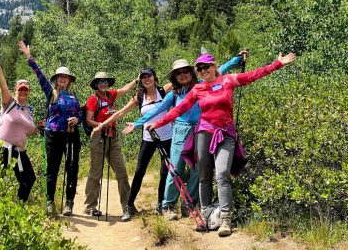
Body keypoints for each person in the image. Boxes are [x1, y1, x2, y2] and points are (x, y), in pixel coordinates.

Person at [147, 52, 296, 236]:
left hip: (225, 134)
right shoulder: (197, 90)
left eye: (206, 67)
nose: (203, 71)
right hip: (204, 133)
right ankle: (205, 216)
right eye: (199, 69)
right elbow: (178, 110)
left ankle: (226, 219)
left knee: (222, 174)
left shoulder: (228, 80)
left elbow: (255, 75)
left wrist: (277, 64)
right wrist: (157, 123)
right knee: (203, 176)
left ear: (214, 66)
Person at [123, 52, 244, 221]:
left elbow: (220, 69)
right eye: (178, 73)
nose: (183, 75)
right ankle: (168, 205)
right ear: (174, 77)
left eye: (185, 71)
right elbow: (157, 110)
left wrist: (237, 60)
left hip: (201, 131)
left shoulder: (201, 85)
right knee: (176, 169)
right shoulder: (173, 94)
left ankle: (189, 204)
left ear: (191, 72)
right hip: (180, 131)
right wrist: (137, 124)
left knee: (197, 170)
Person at [92, 68, 173, 222]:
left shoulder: (165, 90)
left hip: (167, 137)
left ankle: (161, 204)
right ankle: (129, 207)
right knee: (139, 171)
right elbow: (120, 113)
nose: (146, 79)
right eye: (143, 77)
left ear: (155, 78)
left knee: (164, 173)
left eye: (148, 76)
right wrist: (101, 126)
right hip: (148, 138)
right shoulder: (139, 96)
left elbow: (187, 81)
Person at [19, 41, 81, 216]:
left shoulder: (74, 96)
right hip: (53, 135)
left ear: (69, 80)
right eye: (60, 76)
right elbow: (39, 75)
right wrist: (29, 57)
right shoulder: (51, 92)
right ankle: (50, 202)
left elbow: (81, 115)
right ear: (56, 79)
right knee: (52, 169)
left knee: (72, 168)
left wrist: (78, 120)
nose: (63, 79)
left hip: (71, 135)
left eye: (66, 77)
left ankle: (69, 203)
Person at [83, 72, 138, 216]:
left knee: (121, 171)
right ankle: (90, 206)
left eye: (105, 81)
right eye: (100, 81)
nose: (103, 83)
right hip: (99, 137)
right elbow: (89, 120)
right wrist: (102, 125)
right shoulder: (93, 99)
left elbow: (124, 90)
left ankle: (128, 206)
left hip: (112, 137)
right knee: (96, 172)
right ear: (96, 84)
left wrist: (136, 80)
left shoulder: (110, 95)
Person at [0, 60, 39, 202]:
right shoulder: (9, 103)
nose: (23, 92)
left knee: (29, 179)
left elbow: (29, 132)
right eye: (20, 89)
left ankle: (19, 207)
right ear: (15, 90)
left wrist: (38, 128)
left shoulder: (29, 112)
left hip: (18, 151)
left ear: (29, 92)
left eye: (25, 89)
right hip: (2, 147)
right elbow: (3, 86)